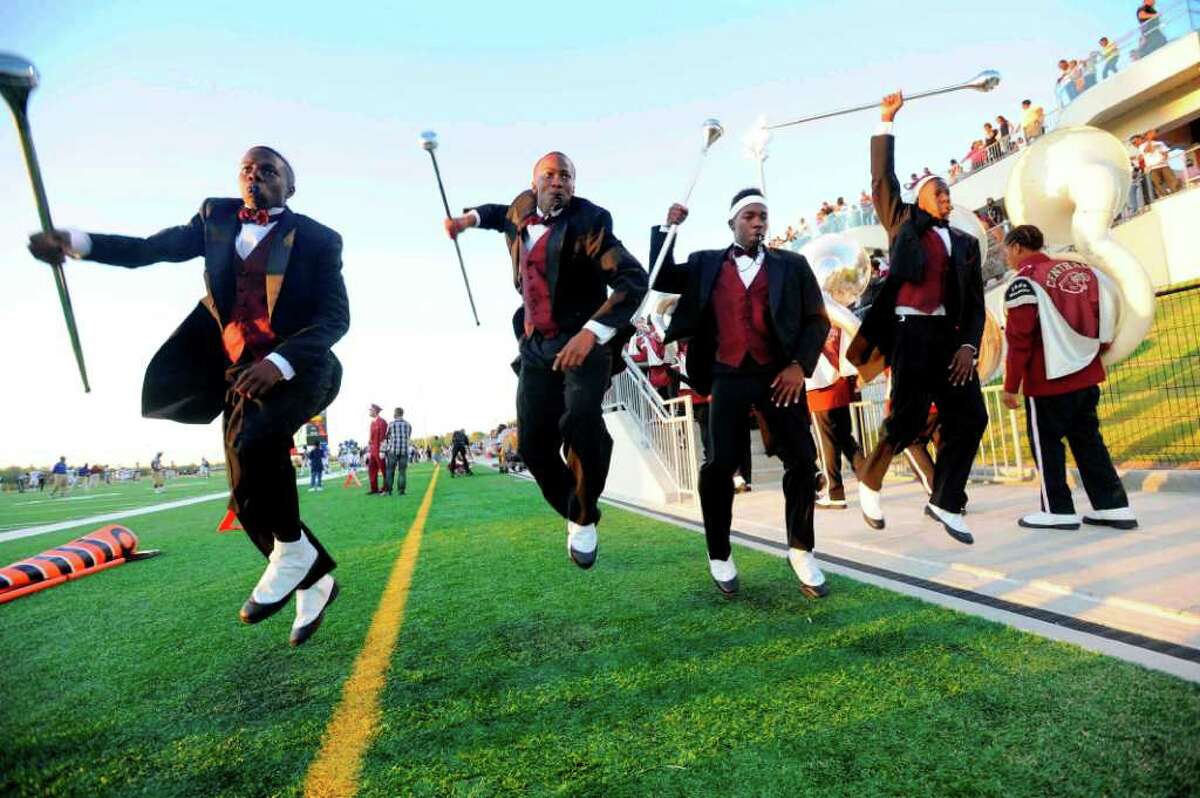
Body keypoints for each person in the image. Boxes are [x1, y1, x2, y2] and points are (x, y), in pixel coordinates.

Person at [28, 145, 347, 647]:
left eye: (268, 170)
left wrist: (278, 362)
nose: (254, 176)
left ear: (290, 186)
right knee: (245, 498)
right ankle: (315, 580)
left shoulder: (319, 240)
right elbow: (147, 249)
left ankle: (293, 554)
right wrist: (73, 243)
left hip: (303, 368)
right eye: (246, 169)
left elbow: (335, 319)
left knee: (257, 442)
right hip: (238, 374)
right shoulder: (214, 218)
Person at [444, 151, 647, 569]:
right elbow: (498, 212)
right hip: (535, 344)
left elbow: (632, 278)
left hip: (583, 341)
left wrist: (592, 332)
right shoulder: (521, 206)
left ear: (574, 184)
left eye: (566, 176)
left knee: (581, 419)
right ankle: (575, 509)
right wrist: (468, 220)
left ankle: (587, 512)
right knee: (534, 446)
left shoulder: (592, 221)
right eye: (550, 175)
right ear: (534, 182)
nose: (558, 182)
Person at [650, 189, 831, 597]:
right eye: (749, 216)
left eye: (763, 216)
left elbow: (816, 320)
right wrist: (668, 229)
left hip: (778, 373)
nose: (758, 222)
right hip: (726, 373)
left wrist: (799, 366)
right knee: (720, 465)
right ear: (732, 222)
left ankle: (802, 549)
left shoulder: (794, 265)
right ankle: (719, 553)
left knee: (803, 460)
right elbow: (661, 276)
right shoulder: (703, 264)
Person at [847, 91, 989, 544]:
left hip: (950, 337)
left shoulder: (966, 244)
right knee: (906, 420)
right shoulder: (902, 221)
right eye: (938, 191)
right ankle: (871, 479)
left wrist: (969, 345)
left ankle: (945, 501)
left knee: (971, 417)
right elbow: (882, 178)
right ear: (920, 198)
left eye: (949, 191)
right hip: (910, 330)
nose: (947, 197)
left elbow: (976, 305)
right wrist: (885, 121)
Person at [1000, 225, 1137, 530]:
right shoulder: (1078, 270)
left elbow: (1020, 340)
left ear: (1018, 248)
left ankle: (1057, 509)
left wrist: (1011, 386)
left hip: (1048, 379)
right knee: (1089, 442)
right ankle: (1114, 506)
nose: (1007, 257)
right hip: (1086, 373)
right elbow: (1106, 310)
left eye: (1007, 250)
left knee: (1047, 445)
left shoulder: (1023, 283)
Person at [806, 324, 864, 510]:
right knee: (845, 438)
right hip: (840, 381)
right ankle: (867, 478)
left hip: (820, 384)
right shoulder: (836, 313)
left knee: (826, 443)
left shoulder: (810, 311)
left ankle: (835, 492)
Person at [1140, 132, 1181, 198]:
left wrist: (1164, 159)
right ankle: (1165, 196)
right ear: (1146, 136)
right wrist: (1149, 140)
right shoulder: (1142, 146)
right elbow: (1148, 150)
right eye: (1149, 134)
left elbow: (1165, 153)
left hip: (1163, 165)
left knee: (1172, 180)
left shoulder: (1160, 143)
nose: (1153, 135)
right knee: (1158, 184)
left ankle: (1176, 193)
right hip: (1153, 167)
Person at [384, 408, 412, 495]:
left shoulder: (391, 424)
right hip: (404, 451)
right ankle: (401, 491)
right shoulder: (408, 425)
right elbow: (408, 436)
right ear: (402, 414)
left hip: (393, 450)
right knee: (402, 472)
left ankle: (389, 491)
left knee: (390, 471)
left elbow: (387, 436)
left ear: (395, 414)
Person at [366, 404, 387, 494]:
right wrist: (368, 451)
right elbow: (370, 438)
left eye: (371, 410)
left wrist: (382, 450)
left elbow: (384, 437)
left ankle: (386, 488)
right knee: (371, 469)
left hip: (379, 450)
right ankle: (374, 489)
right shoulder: (372, 422)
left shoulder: (382, 422)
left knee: (383, 469)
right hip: (373, 450)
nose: (369, 411)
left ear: (375, 411)